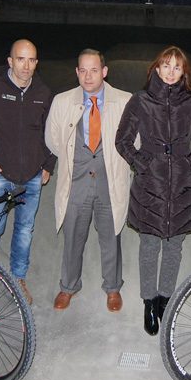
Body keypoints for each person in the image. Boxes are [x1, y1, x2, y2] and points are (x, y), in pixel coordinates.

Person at [115, 46, 191, 335]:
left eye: (177, 67)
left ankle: (165, 298)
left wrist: (188, 164)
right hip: (149, 186)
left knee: (174, 248)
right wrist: (144, 164)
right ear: (156, 69)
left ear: (184, 72)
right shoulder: (141, 100)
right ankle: (148, 301)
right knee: (149, 247)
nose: (171, 72)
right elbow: (123, 140)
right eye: (165, 66)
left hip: (181, 186)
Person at [45, 49, 132, 312]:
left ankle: (113, 287)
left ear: (104, 72)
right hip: (77, 180)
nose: (88, 76)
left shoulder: (125, 101)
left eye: (94, 70)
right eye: (82, 70)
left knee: (111, 235)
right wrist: (78, 159)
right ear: (76, 72)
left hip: (109, 179)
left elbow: (133, 141)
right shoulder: (62, 101)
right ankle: (68, 286)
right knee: (73, 236)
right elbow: (53, 140)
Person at [0, 39, 55, 305]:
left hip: (32, 176)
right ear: (10, 61)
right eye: (20, 59)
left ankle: (17, 279)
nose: (26, 66)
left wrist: (48, 164)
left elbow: (51, 131)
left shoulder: (43, 92)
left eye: (31, 60)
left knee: (24, 230)